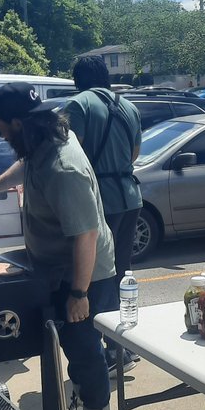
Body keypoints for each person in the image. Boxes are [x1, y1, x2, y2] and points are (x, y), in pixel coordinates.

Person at [0, 82, 118, 410]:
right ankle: (79, 408)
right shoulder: (42, 143)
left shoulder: (63, 167)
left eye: (2, 128)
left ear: (20, 123)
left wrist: (78, 294)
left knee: (84, 346)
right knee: (72, 343)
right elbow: (25, 165)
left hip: (84, 271)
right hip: (57, 266)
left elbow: (85, 234)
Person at [65, 54, 143, 373]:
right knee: (122, 272)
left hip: (101, 201)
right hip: (131, 197)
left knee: (98, 277)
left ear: (78, 80)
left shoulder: (78, 105)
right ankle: (123, 345)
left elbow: (70, 152)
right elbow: (136, 152)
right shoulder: (129, 106)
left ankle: (108, 353)